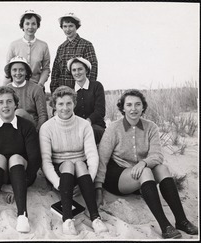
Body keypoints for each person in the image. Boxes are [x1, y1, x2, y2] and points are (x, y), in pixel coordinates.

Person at [95, 89, 198, 239]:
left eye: (138, 104)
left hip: (143, 176)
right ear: (122, 108)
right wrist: (98, 188)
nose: (133, 109)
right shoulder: (114, 128)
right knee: (146, 171)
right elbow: (102, 159)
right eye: (129, 105)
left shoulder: (151, 127)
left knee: (162, 168)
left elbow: (157, 156)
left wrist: (142, 163)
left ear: (143, 107)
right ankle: (165, 226)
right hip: (117, 177)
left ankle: (181, 220)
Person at [39, 86, 108, 236]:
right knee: (69, 164)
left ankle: (95, 217)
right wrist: (58, 183)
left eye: (69, 103)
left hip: (83, 174)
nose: (65, 108)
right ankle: (67, 219)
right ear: (54, 106)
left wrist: (89, 180)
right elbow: (46, 161)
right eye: (60, 104)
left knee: (80, 164)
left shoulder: (84, 125)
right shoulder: (47, 128)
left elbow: (92, 155)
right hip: (60, 174)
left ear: (74, 104)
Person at [0, 86, 41, 233]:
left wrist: (23, 183)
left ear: (15, 104)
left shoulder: (27, 127)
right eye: (1, 102)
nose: (5, 106)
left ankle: (22, 214)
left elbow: (35, 159)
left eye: (9, 101)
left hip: (21, 175)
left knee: (16, 157)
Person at [50, 13, 98, 94]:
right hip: (62, 93)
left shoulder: (86, 45)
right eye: (65, 26)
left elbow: (92, 70)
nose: (68, 29)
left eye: (71, 26)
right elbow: (55, 72)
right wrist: (54, 91)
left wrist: (87, 90)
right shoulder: (61, 48)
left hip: (80, 92)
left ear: (76, 27)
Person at [3, 10, 50, 89]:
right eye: (27, 24)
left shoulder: (43, 45)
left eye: (33, 24)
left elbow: (46, 69)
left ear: (37, 26)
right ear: (22, 26)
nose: (30, 27)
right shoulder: (13, 45)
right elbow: (8, 69)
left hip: (37, 86)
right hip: (16, 87)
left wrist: (40, 85)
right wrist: (4, 88)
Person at [67, 56, 106, 144]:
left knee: (92, 132)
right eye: (74, 70)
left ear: (86, 70)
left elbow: (100, 111)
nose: (77, 73)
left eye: (80, 69)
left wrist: (87, 122)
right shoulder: (69, 89)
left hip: (95, 126)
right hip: (74, 126)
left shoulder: (96, 86)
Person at [5, 56, 48, 131]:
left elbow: (43, 115)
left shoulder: (36, 89)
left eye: (21, 70)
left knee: (19, 112)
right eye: (14, 70)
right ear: (10, 72)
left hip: (31, 128)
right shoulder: (6, 90)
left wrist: (37, 132)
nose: (18, 73)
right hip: (11, 128)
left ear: (26, 72)